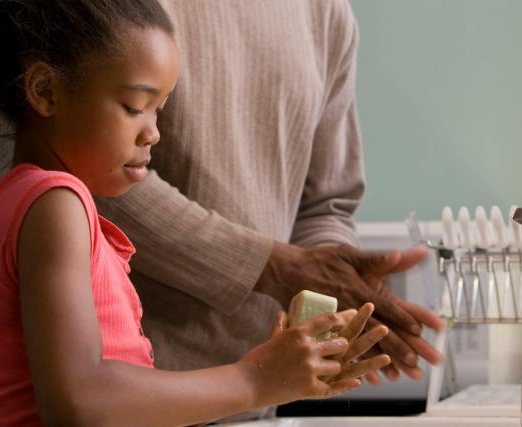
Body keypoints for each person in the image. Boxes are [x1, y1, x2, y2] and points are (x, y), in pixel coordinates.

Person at [0, 1, 391, 426]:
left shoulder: (20, 200)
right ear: (45, 91)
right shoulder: (55, 205)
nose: (153, 134)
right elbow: (81, 400)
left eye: (160, 110)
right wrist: (254, 380)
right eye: (135, 107)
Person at [94, 0, 444, 393]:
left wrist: (337, 296)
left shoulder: (324, 10)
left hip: (263, 394)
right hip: (133, 388)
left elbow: (327, 203)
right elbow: (89, 170)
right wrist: (272, 266)